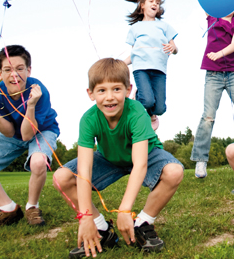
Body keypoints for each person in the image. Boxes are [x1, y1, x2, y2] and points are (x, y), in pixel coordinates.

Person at [53, 58, 183, 257]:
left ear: (128, 90)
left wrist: (124, 210)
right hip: (109, 159)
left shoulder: (137, 112)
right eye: (102, 90)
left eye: (116, 89)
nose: (109, 97)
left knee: (174, 171)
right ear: (90, 94)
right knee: (61, 177)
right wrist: (86, 216)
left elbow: (140, 164)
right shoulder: (88, 119)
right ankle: (101, 230)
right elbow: (84, 170)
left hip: (146, 155)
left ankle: (142, 224)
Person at [0, 45, 60, 228]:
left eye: (19, 69)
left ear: (28, 70)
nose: (14, 75)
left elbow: (27, 135)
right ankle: (8, 208)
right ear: (0, 73)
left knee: (38, 162)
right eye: (8, 70)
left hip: (41, 130)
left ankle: (32, 207)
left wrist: (31, 105)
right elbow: (9, 133)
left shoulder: (38, 90)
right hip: (15, 132)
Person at [191, 0, 234, 179]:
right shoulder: (212, 17)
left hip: (233, 74)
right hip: (213, 75)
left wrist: (219, 54)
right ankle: (201, 161)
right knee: (208, 116)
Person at [122, 0, 177, 131]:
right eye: (151, 1)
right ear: (142, 6)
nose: (155, 4)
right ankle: (138, 97)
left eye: (157, 3)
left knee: (160, 109)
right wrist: (120, 64)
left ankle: (151, 111)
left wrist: (173, 48)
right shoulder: (135, 28)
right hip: (141, 69)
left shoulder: (163, 26)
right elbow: (134, 53)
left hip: (159, 70)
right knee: (147, 100)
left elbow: (175, 49)